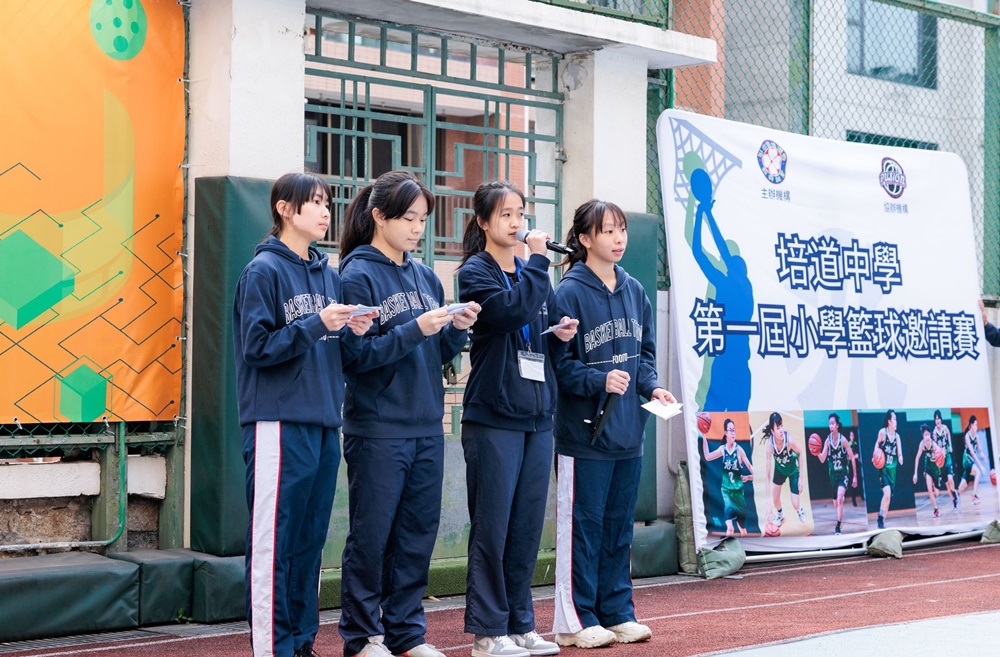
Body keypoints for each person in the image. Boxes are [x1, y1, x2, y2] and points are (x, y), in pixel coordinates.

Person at [337, 171, 482, 657]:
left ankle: (405, 632)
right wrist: (415, 329)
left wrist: (456, 329)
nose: (418, 228)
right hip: (378, 427)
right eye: (408, 219)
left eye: (422, 219)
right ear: (379, 216)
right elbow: (355, 356)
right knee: (372, 535)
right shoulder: (356, 275)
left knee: (417, 535)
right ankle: (362, 635)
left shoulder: (425, 277)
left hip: (426, 426)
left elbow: (436, 354)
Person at [233, 172, 377, 657]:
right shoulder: (262, 271)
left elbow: (332, 350)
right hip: (277, 423)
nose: (325, 212)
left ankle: (300, 643)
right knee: (274, 542)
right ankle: (273, 647)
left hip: (323, 422)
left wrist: (351, 329)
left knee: (309, 542)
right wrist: (316, 324)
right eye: (314, 203)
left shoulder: (328, 275)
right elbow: (257, 348)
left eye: (327, 204)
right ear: (284, 209)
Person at [457, 181, 578, 657]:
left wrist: (556, 333)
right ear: (483, 222)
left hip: (536, 414)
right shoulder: (476, 271)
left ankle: (520, 623)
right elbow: (506, 314)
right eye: (505, 214)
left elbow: (531, 325)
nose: (516, 222)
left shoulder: (530, 271)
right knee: (493, 526)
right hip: (494, 414)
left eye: (520, 214)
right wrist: (540, 263)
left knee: (526, 527)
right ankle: (488, 632)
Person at [549, 199, 676, 649]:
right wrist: (598, 379)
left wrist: (652, 388)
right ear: (585, 239)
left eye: (621, 229)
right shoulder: (568, 293)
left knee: (619, 528)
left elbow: (644, 356)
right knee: (583, 528)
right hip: (583, 435)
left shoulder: (635, 291)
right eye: (607, 231)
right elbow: (558, 366)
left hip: (627, 433)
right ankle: (575, 619)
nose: (619, 238)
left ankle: (617, 611)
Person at [701, 418, 753, 538]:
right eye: (731, 430)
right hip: (727, 491)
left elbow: (752, 469)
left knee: (742, 530)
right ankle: (727, 547)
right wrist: (704, 436)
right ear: (725, 432)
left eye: (734, 430)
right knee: (729, 527)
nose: (733, 433)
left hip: (738, 494)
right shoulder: (722, 449)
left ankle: (745, 546)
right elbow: (707, 457)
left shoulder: (739, 450)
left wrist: (748, 478)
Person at [762, 412, 807, 526]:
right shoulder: (770, 446)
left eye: (781, 426)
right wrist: (768, 503)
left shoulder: (789, 441)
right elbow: (767, 475)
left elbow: (800, 453)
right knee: (775, 499)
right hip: (780, 470)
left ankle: (800, 509)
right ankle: (780, 514)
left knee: (795, 504)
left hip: (793, 470)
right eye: (778, 428)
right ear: (772, 431)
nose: (781, 430)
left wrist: (800, 479)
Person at [816, 413, 857, 535]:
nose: (831, 426)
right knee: (836, 503)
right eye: (829, 424)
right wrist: (816, 452)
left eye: (833, 423)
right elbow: (822, 459)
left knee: (839, 498)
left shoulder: (843, 440)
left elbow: (852, 458)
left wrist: (855, 476)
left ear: (837, 425)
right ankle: (840, 498)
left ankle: (838, 526)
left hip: (843, 473)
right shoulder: (827, 441)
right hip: (833, 476)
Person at [873, 409, 903, 530]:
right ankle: (880, 517)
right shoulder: (883, 433)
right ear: (889, 421)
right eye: (894, 419)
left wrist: (900, 458)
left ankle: (882, 522)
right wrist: (875, 454)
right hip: (883, 469)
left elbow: (900, 453)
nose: (896, 421)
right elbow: (877, 443)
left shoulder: (897, 437)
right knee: (887, 494)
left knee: (888, 498)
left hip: (892, 471)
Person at [912, 424, 944, 518]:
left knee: (937, 493)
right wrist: (915, 474)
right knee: (929, 489)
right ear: (923, 436)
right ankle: (936, 509)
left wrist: (942, 454)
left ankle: (935, 484)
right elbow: (917, 458)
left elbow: (941, 456)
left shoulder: (934, 445)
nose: (927, 437)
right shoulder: (922, 445)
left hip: (936, 468)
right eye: (925, 435)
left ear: (930, 435)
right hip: (928, 466)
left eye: (928, 435)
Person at [958, 415, 990, 504]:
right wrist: (981, 466)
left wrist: (983, 456)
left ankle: (955, 496)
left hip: (970, 460)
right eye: (975, 425)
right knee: (978, 473)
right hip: (966, 459)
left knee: (963, 486)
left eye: (977, 425)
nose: (977, 427)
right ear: (971, 425)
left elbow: (980, 451)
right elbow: (972, 453)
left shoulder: (977, 437)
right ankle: (974, 496)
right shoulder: (967, 436)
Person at [931, 410, 959, 509]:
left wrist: (950, 445)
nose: (937, 420)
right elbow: (934, 447)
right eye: (936, 419)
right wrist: (939, 452)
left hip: (947, 457)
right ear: (935, 421)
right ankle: (954, 502)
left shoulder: (945, 428)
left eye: (939, 418)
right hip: (940, 460)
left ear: (941, 419)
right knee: (947, 484)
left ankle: (955, 492)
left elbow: (948, 434)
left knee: (950, 479)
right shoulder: (934, 432)